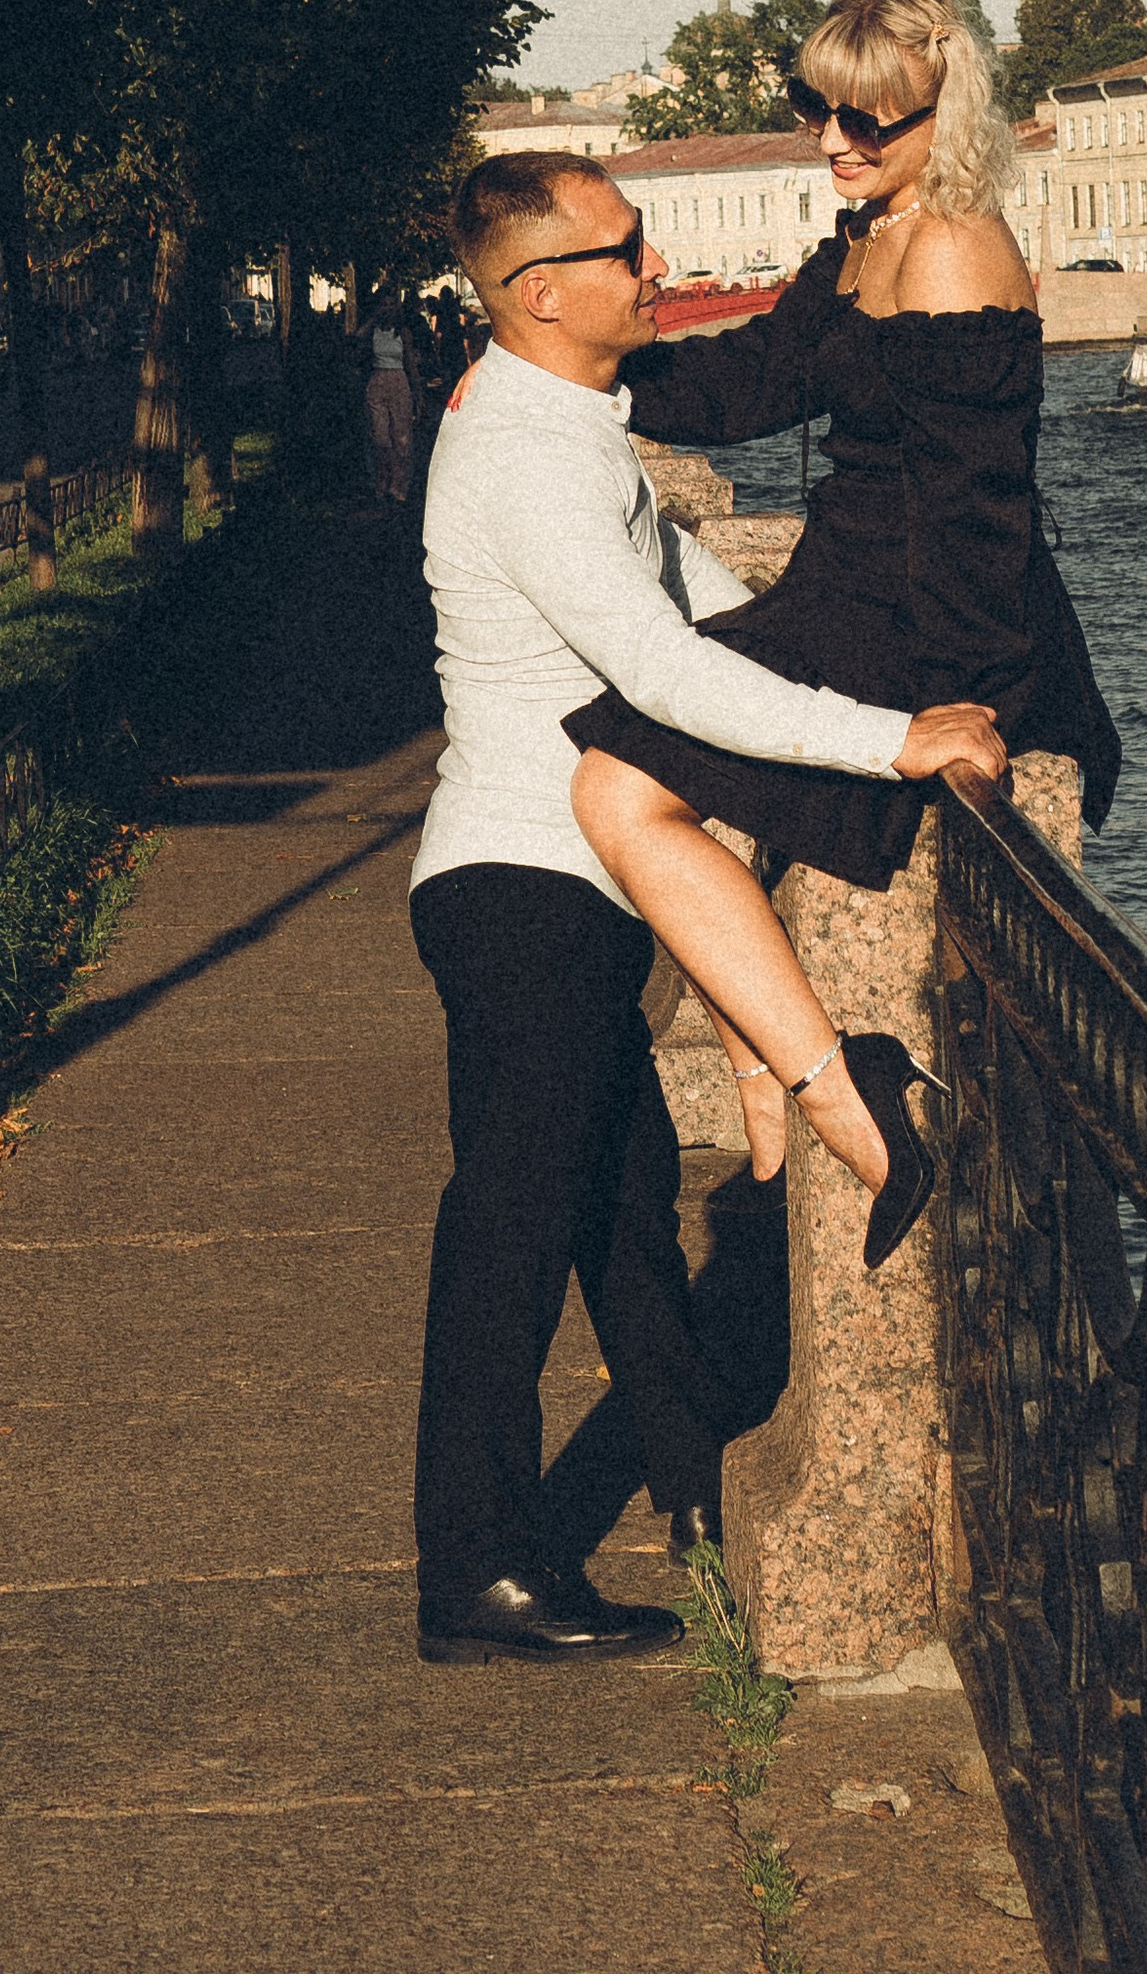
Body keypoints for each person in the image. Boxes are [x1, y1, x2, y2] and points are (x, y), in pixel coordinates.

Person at [408, 146, 1007, 1667]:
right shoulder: (529, 457)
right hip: (523, 889)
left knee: (618, 1223)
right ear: (539, 294)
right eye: (625, 250)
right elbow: (668, 676)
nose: (657, 267)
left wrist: (872, 647)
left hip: (551, 887)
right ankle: (473, 1571)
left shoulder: (561, 419)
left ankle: (689, 1484)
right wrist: (888, 741)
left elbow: (702, 600)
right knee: (510, 1232)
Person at [566, 0, 1121, 1259]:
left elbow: (980, 506)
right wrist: (580, 375)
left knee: (619, 787)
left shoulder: (952, 250)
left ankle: (823, 1092)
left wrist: (948, 705)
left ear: (945, 111)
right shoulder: (871, 235)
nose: (833, 141)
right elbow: (753, 380)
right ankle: (780, 1084)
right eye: (817, 110)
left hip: (924, 622)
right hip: (845, 591)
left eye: (868, 120)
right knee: (625, 772)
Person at [364, 292, 416, 504]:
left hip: (398, 381)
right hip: (377, 380)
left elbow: (410, 362)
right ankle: (382, 479)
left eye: (391, 305)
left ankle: (398, 485)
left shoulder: (402, 332)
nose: (387, 309)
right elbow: (356, 339)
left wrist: (418, 393)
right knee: (380, 438)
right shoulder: (373, 332)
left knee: (401, 438)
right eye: (383, 305)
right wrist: (372, 320)